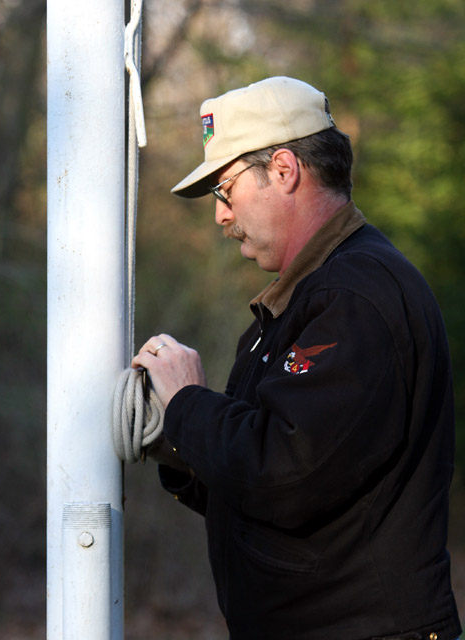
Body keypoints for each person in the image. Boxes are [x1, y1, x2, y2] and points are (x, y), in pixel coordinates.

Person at [131, 77, 462, 640]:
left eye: (225, 189)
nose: (220, 216)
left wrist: (187, 402)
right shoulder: (308, 301)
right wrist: (175, 443)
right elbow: (264, 488)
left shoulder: (355, 297)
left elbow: (284, 473)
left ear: (284, 170)